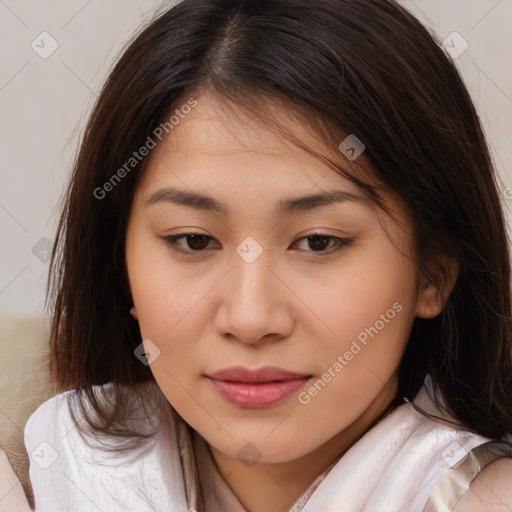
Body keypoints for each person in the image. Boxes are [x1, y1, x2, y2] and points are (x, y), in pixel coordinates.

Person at [21, 0, 512, 510]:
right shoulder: (49, 470)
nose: (251, 319)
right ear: (119, 266)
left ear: (433, 272)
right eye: (193, 240)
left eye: (319, 241)